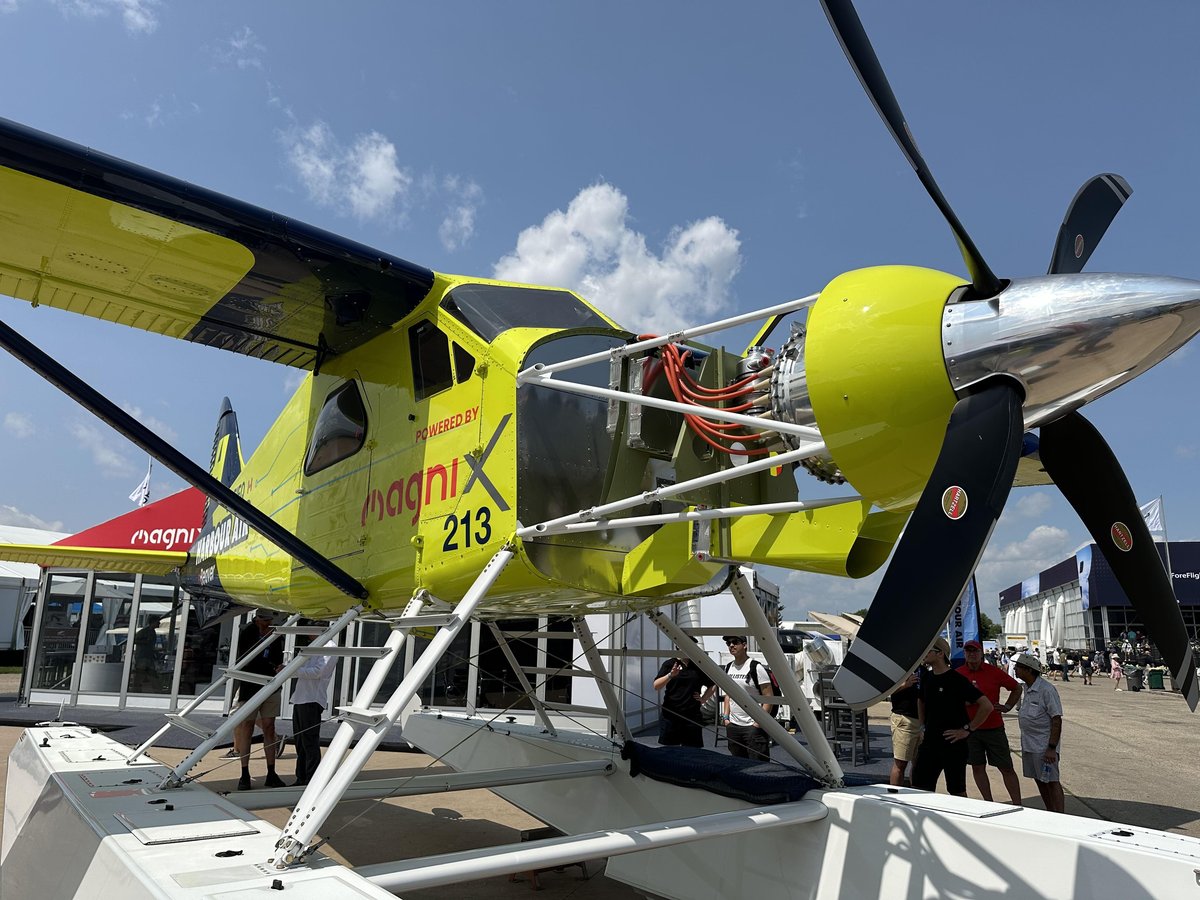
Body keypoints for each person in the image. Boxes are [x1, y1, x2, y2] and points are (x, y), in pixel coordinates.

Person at [912, 636, 994, 797]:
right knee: (920, 787)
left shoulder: (957, 680)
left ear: (940, 654)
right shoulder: (927, 677)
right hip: (930, 742)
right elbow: (920, 701)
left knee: (957, 791)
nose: (924, 654)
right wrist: (921, 726)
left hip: (953, 745)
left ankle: (961, 821)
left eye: (929, 650)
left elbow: (986, 705)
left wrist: (967, 729)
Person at [955, 639, 1023, 804]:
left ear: (981, 653)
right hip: (970, 729)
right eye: (968, 651)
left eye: (975, 651)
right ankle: (988, 802)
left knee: (1006, 767)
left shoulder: (994, 672)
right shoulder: (957, 674)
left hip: (993, 728)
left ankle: (1018, 804)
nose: (972, 654)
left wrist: (1007, 706)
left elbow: (1017, 687)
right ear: (964, 653)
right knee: (977, 767)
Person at [234, 610, 285, 790]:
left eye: (270, 620)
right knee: (246, 726)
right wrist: (265, 640)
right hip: (250, 685)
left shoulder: (275, 633)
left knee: (269, 727)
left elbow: (277, 655)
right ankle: (244, 773)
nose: (268, 623)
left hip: (270, 685)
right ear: (257, 619)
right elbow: (247, 657)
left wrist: (278, 666)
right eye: (265, 620)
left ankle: (271, 772)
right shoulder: (248, 632)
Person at [1013, 652, 1064, 813]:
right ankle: (1050, 811)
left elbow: (1056, 719)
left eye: (1018, 667)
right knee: (1039, 780)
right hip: (1029, 744)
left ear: (1029, 670)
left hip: (1044, 747)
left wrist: (1051, 747)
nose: (1015, 670)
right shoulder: (1026, 688)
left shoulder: (1046, 690)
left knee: (1052, 781)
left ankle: (1060, 815)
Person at [719, 635, 774, 761]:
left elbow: (768, 697)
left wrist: (758, 723)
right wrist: (726, 718)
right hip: (733, 726)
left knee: (759, 767)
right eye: (728, 643)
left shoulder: (756, 668)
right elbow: (728, 694)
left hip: (752, 727)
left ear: (744, 645)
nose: (731, 645)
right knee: (738, 765)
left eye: (735, 642)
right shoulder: (728, 667)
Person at [290, 645, 337, 786]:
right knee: (300, 741)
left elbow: (318, 672)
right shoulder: (313, 646)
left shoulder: (330, 647)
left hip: (312, 699)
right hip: (300, 698)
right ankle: (301, 777)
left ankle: (312, 779)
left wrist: (294, 670)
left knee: (309, 742)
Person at [654, 646, 716, 748]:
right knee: (671, 752)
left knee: (692, 752)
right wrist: (670, 675)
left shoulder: (697, 666)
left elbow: (713, 684)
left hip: (692, 715)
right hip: (671, 715)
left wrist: (703, 699)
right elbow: (656, 686)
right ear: (678, 647)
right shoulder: (669, 664)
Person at [888, 669, 920, 786]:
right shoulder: (900, 668)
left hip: (921, 721)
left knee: (919, 764)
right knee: (900, 764)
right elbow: (887, 691)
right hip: (904, 718)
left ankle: (915, 792)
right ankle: (894, 799)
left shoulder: (923, 668)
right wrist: (905, 685)